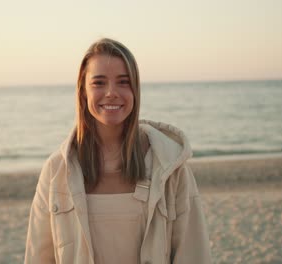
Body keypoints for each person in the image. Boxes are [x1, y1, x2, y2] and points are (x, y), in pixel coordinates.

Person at [24, 38, 212, 264]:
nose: (111, 92)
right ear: (83, 91)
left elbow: (194, 254)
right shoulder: (56, 171)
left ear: (135, 90)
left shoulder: (170, 168)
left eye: (123, 82)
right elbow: (38, 257)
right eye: (99, 83)